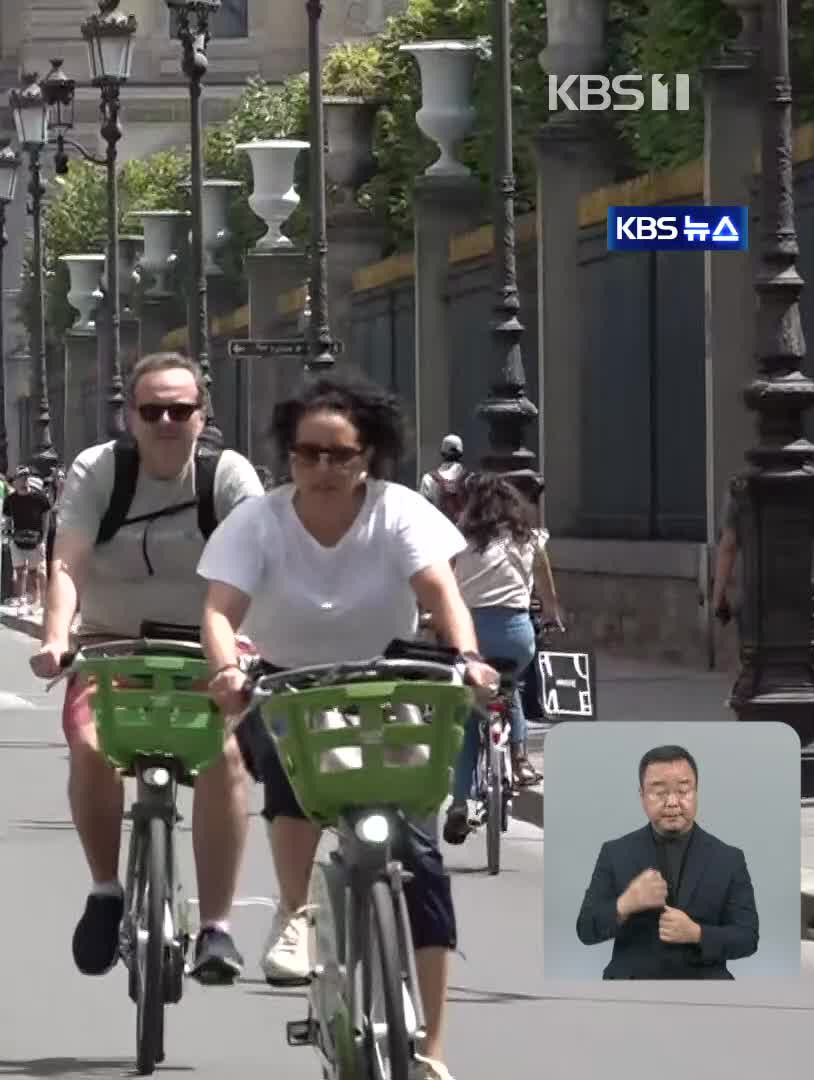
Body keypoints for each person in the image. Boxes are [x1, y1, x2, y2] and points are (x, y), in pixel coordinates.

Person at [197, 371, 499, 1080]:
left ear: (370, 455)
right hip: (287, 682)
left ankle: (432, 1048)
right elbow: (219, 610)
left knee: (421, 861)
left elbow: (440, 591)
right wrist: (228, 673)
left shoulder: (399, 512)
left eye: (342, 454)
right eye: (309, 454)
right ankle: (296, 910)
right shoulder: (261, 521)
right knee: (284, 763)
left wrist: (468, 659)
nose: (325, 469)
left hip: (389, 682)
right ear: (289, 457)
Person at [26, 352, 266, 986]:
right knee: (89, 743)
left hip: (206, 649)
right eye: (152, 410)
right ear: (128, 417)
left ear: (201, 416)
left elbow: (260, 569)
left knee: (227, 758)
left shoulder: (230, 477)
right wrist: (57, 638)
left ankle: (216, 929)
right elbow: (69, 562)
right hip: (112, 646)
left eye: (179, 409)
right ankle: (106, 890)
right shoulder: (99, 471)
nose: (166, 421)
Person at [444, 472, 561, 844]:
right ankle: (521, 759)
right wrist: (551, 615)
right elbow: (547, 590)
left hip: (472, 637)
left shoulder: (458, 541)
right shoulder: (529, 541)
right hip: (516, 636)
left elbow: (442, 587)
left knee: (467, 715)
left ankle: (459, 804)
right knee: (510, 689)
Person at [574, 744, 759, 979]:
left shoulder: (728, 859)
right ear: (642, 796)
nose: (672, 802)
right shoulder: (615, 853)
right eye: (659, 792)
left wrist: (697, 933)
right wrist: (626, 904)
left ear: (696, 791)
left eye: (683, 791)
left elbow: (748, 938)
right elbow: (586, 930)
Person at [712, 478, 814, 637]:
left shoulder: (741, 489)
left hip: (754, 601)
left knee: (754, 657)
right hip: (800, 601)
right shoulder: (810, 489)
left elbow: (728, 548)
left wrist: (718, 597)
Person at [3, 471, 53, 613]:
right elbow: (7, 518)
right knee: (19, 572)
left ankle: (36, 601)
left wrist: (43, 540)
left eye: (26, 477)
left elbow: (46, 520)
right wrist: (9, 535)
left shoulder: (40, 498)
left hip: (35, 541)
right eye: (21, 478)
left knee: (34, 573)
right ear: (15, 482)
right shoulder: (11, 499)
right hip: (17, 540)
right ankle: (21, 601)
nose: (24, 480)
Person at [418, 434, 468, 520]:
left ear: (442, 453)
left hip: (438, 530)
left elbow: (422, 513)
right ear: (461, 453)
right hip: (462, 532)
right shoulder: (470, 479)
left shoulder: (428, 479)